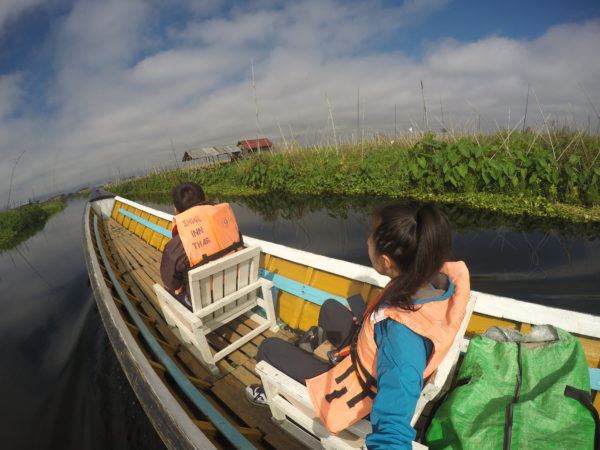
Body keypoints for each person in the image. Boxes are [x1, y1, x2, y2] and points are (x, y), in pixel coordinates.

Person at [246, 203, 470, 449]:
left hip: (359, 395)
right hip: (371, 362)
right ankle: (329, 354)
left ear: (385, 262)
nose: (366, 244)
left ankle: (275, 393)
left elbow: (392, 430)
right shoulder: (433, 279)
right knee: (331, 307)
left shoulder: (402, 338)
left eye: (369, 239)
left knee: (268, 348)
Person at [160, 182, 243, 309]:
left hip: (204, 304)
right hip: (238, 287)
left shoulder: (175, 246)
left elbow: (170, 282)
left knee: (169, 290)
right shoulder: (228, 225)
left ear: (176, 211)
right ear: (204, 200)